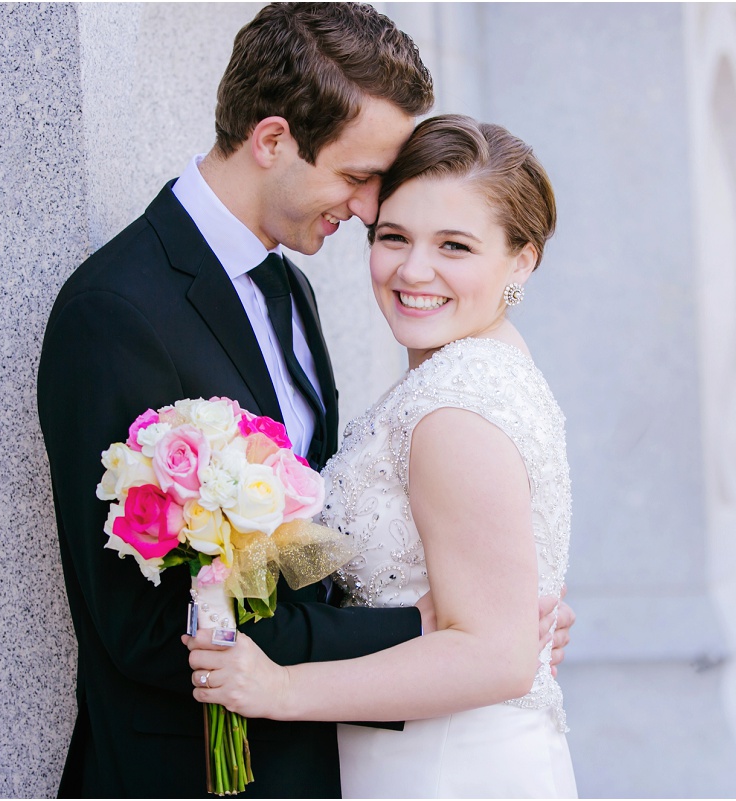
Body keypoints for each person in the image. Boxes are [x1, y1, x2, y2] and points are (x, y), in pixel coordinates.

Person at [36, 5, 572, 798]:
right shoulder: (116, 314)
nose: (365, 212)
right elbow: (145, 627)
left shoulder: (286, 287)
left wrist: (484, 604)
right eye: (359, 179)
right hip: (190, 771)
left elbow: (299, 539)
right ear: (274, 140)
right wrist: (421, 623)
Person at [185, 114, 577, 798]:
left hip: (447, 766)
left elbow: (497, 656)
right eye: (394, 236)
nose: (413, 270)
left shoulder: (456, 406)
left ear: (521, 259)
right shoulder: (480, 367)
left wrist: (278, 687)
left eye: (454, 245)